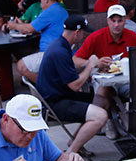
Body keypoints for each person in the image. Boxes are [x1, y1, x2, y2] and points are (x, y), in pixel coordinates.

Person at [35, 15, 110, 153]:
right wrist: (90, 65)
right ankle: (71, 153)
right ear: (77, 32)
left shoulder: (59, 45)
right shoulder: (60, 51)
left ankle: (75, 141)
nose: (84, 36)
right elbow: (75, 85)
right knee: (101, 116)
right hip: (54, 104)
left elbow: (68, 72)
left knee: (102, 101)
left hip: (56, 96)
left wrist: (92, 64)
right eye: (83, 33)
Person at [10, 0, 69, 82]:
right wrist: (23, 27)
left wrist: (13, 25)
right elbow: (39, 28)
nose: (40, 3)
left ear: (47, 0)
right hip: (61, 50)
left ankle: (45, 85)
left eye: (41, 0)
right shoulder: (61, 10)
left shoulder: (49, 12)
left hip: (50, 52)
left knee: (21, 65)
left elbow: (30, 28)